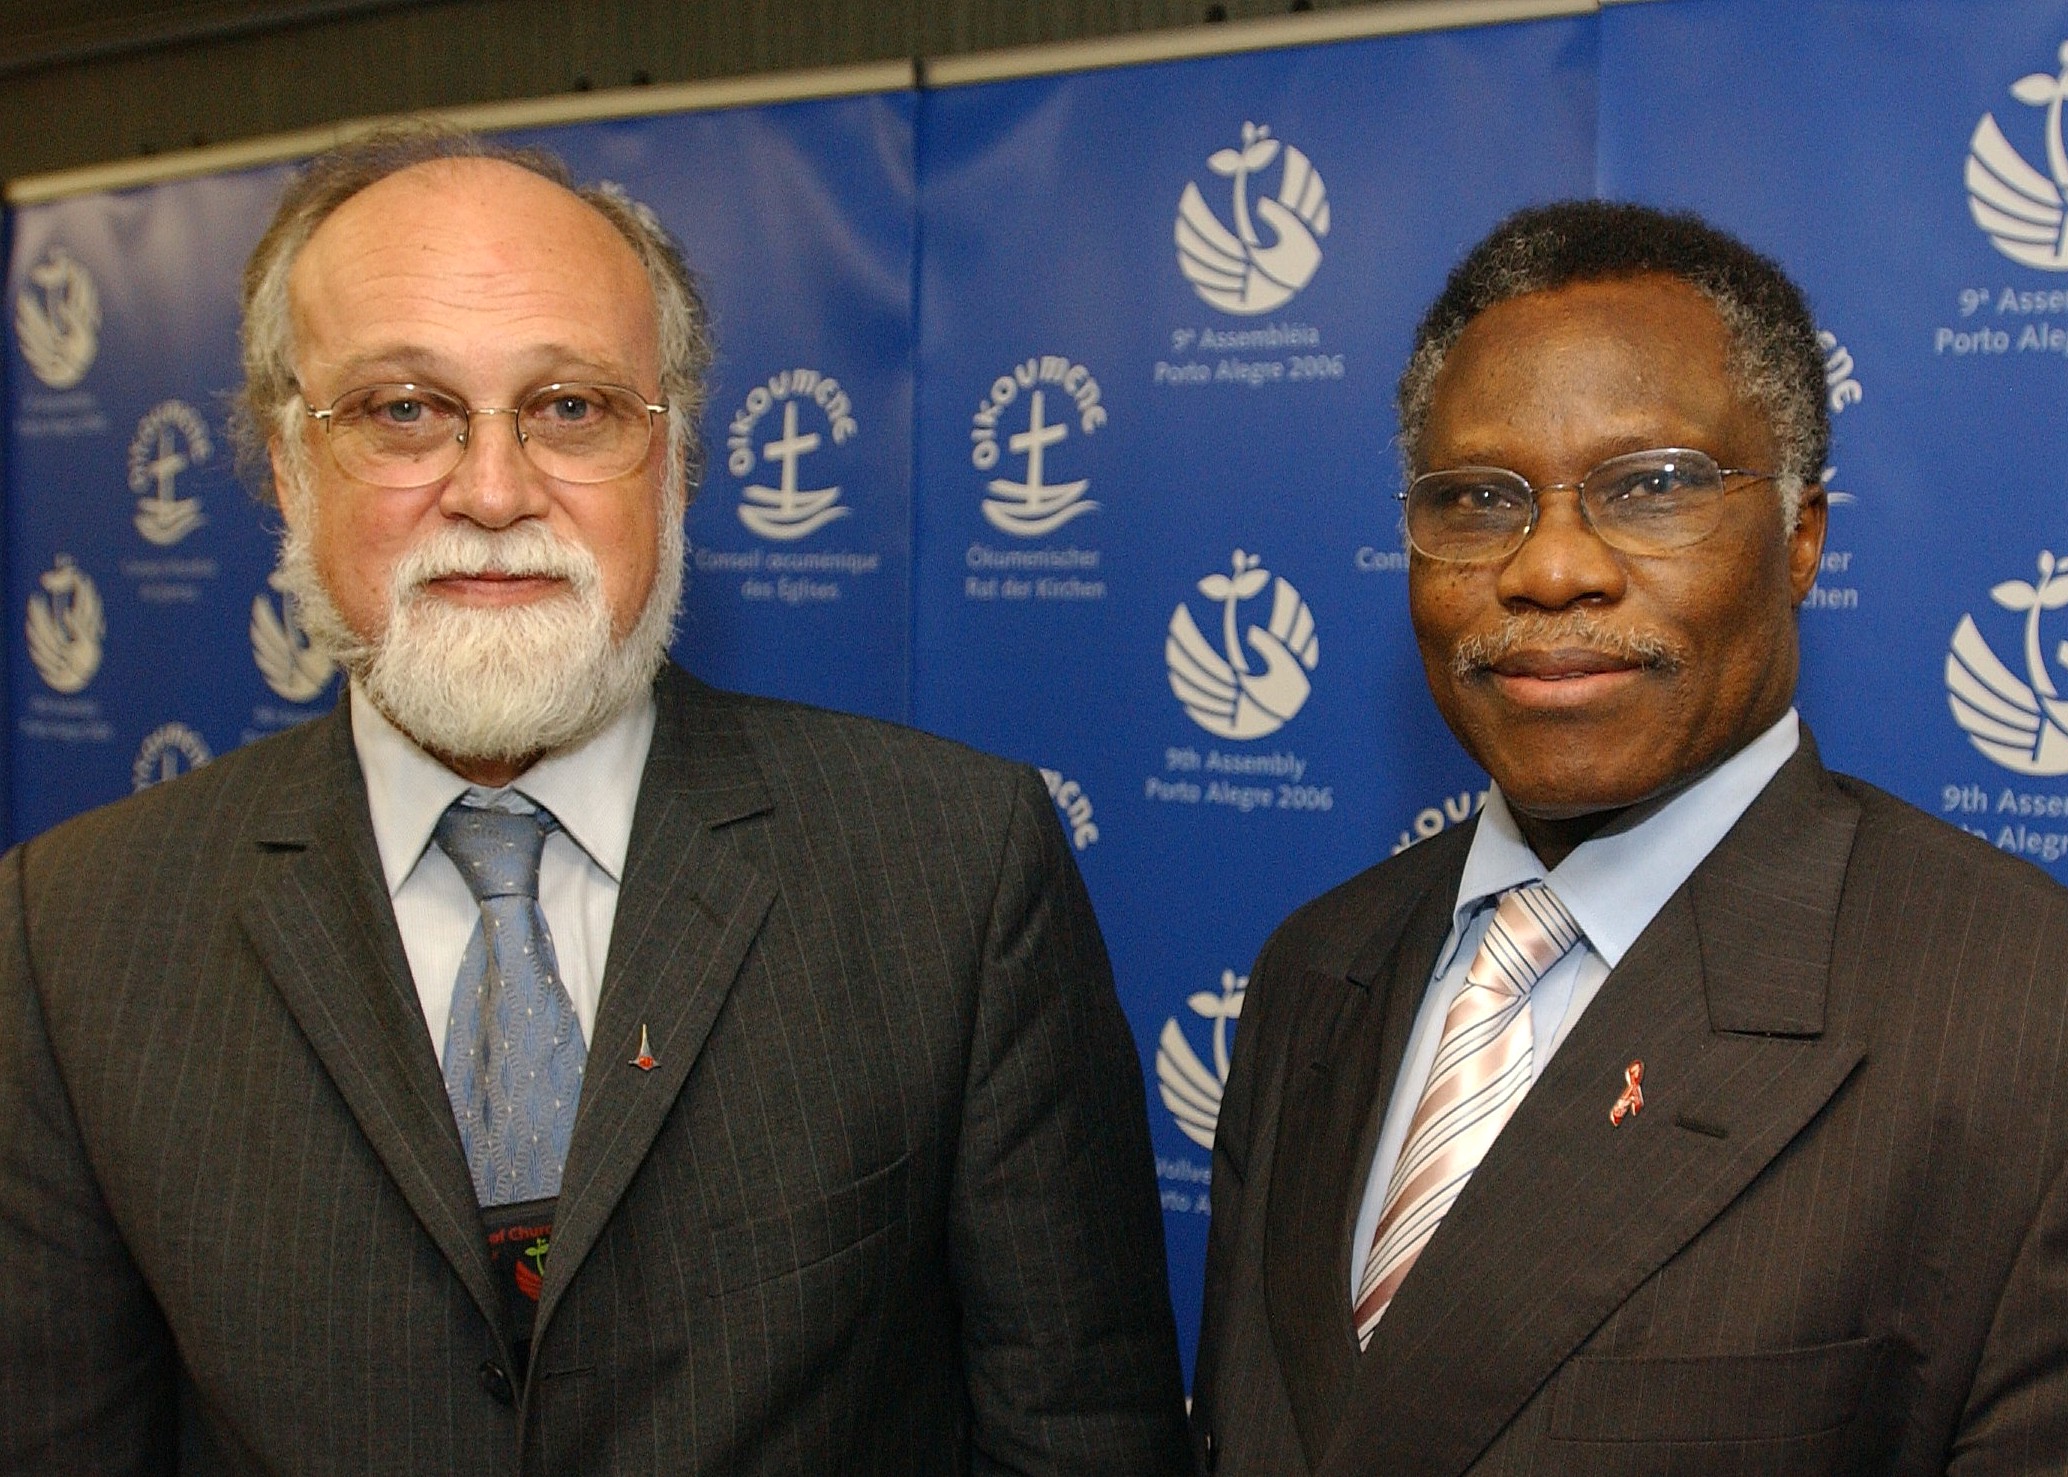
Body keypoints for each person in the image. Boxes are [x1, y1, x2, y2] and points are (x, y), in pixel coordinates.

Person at [0, 125, 1190, 1476]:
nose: (493, 491)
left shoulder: (954, 870)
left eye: (571, 408)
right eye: (403, 410)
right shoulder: (72, 931)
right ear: (287, 466)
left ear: (674, 463)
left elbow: (1080, 1430)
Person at [1190, 200, 2068, 1475]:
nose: (1548, 568)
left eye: (1650, 486)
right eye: (1476, 499)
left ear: (1799, 537)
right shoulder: (1315, 966)